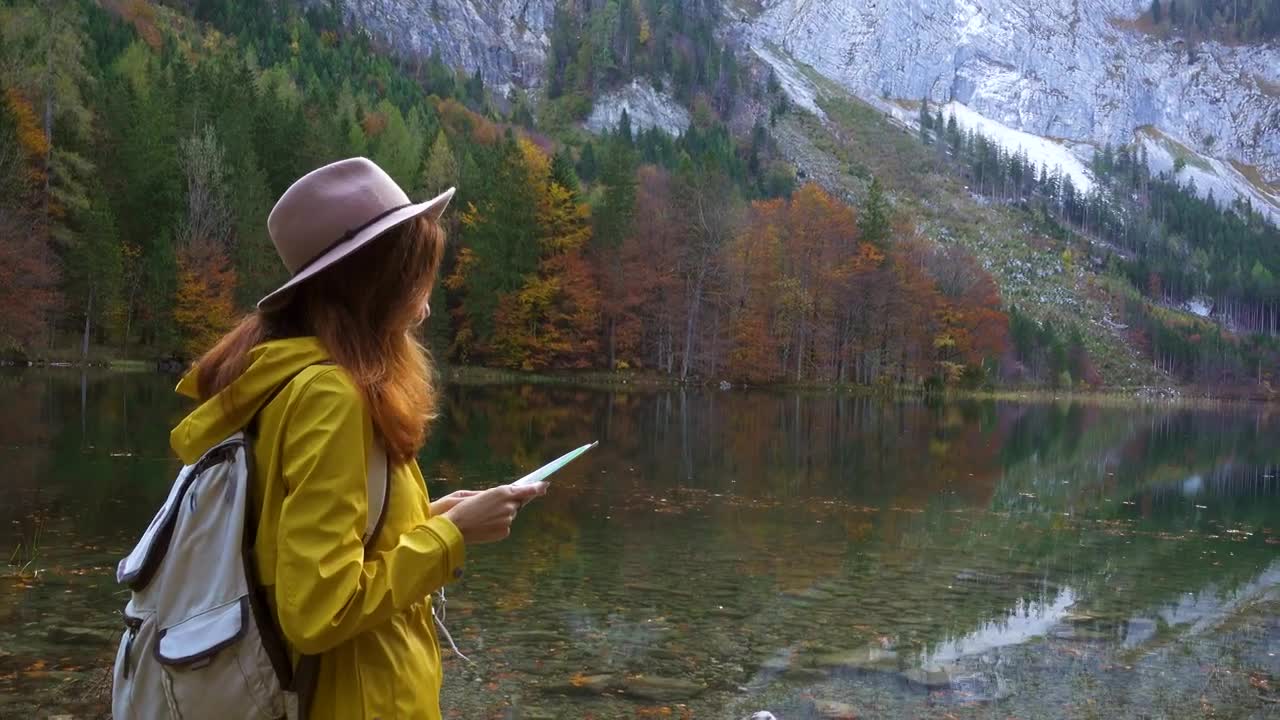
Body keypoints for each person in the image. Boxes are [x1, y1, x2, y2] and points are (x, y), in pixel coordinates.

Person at [167, 157, 545, 719]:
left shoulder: (289, 379)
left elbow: (312, 546)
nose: (426, 300)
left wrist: (432, 517)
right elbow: (318, 609)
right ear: (376, 282)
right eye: (417, 275)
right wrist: (449, 539)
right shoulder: (331, 397)